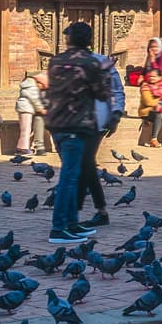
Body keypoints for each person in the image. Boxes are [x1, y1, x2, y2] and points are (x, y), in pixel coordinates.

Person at [43, 22, 108, 244]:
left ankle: (72, 223)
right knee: (69, 177)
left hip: (56, 123)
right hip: (76, 124)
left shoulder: (55, 60)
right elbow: (101, 94)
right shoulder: (91, 63)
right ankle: (58, 227)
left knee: (73, 174)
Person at [75, 49, 125, 230]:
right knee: (85, 163)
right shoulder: (69, 61)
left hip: (97, 120)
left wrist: (116, 115)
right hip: (76, 121)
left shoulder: (102, 62)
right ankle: (98, 211)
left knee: (84, 162)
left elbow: (117, 91)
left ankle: (85, 212)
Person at [15, 69, 48, 155]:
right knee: (26, 130)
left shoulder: (28, 86)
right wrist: (41, 109)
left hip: (25, 108)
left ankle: (21, 148)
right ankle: (23, 149)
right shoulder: (32, 87)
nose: (41, 88)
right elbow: (35, 99)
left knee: (25, 129)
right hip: (26, 109)